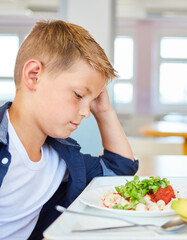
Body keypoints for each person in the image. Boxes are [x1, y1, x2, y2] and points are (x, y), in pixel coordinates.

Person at [0, 20, 139, 240]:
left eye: (92, 100)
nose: (86, 112)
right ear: (34, 75)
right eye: (78, 95)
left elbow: (118, 170)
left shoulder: (61, 160)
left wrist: (104, 112)